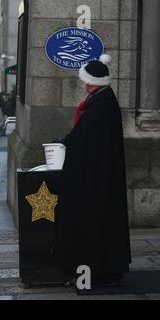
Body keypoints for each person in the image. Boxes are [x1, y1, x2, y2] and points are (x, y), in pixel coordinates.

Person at [55, 54, 131, 287]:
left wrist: (67, 142)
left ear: (93, 82)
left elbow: (86, 139)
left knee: (93, 224)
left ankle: (94, 273)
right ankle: (95, 272)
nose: (84, 85)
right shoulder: (101, 101)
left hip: (95, 179)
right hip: (98, 175)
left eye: (85, 81)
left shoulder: (101, 106)